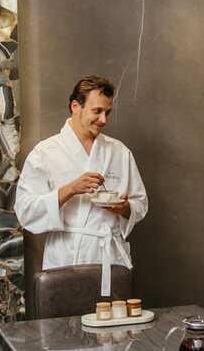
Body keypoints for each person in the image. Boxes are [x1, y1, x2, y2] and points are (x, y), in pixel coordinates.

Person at [16, 75, 148, 296]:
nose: (103, 120)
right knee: (66, 317)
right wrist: (70, 190)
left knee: (111, 317)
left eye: (107, 112)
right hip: (66, 257)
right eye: (97, 111)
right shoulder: (45, 152)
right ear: (75, 106)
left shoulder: (119, 152)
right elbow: (25, 210)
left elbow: (140, 203)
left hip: (109, 258)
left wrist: (125, 208)